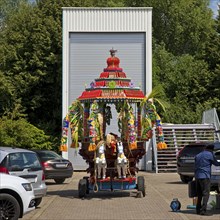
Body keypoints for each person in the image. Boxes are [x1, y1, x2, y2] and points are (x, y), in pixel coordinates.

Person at [194, 144, 220, 215]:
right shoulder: (210, 155)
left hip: (197, 176)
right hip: (205, 176)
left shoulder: (198, 155)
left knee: (199, 194)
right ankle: (203, 210)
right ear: (212, 149)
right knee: (206, 194)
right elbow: (216, 163)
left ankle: (198, 210)